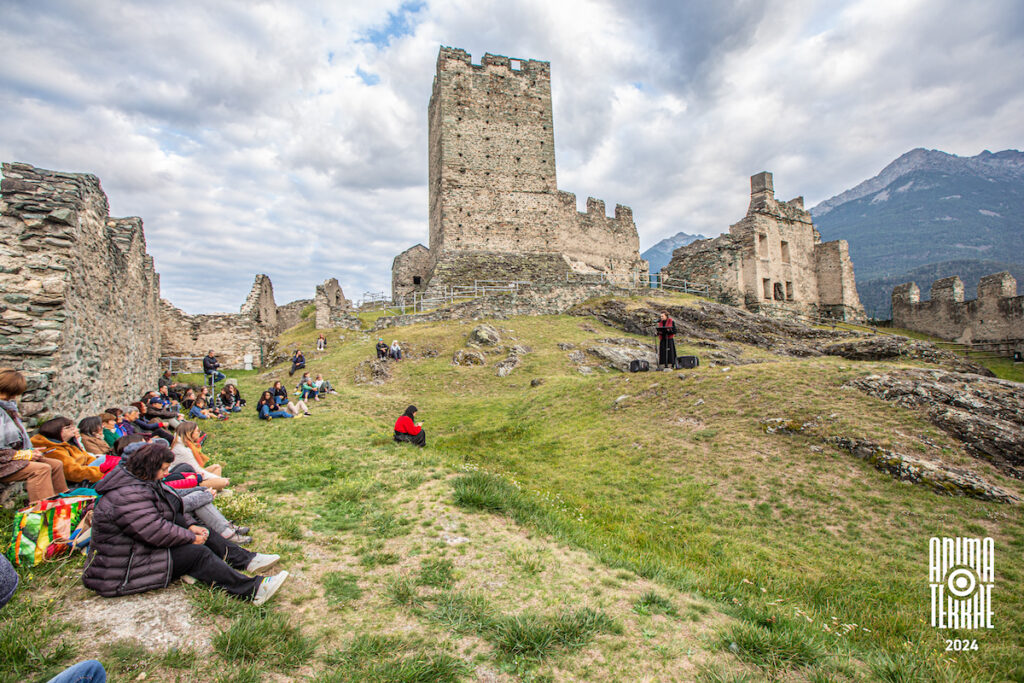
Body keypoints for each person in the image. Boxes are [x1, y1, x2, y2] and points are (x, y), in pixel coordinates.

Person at [82, 443, 288, 604]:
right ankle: (253, 590)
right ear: (148, 467)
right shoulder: (126, 495)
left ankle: (247, 560)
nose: (165, 474)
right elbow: (154, 530)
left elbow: (168, 511)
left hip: (137, 553)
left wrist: (190, 527)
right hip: (121, 571)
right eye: (163, 469)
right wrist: (190, 537)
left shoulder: (139, 483)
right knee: (196, 553)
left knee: (203, 532)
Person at [0, 369, 69, 502]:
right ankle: (41, 515)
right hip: (2, 462)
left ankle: (64, 505)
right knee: (40, 469)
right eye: (10, 394)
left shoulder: (7, 409)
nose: (12, 398)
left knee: (56, 464)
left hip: (7, 458)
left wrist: (28, 452)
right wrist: (26, 455)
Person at [31, 417, 103, 485]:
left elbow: (87, 458)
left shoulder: (69, 443)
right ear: (56, 431)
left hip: (88, 471)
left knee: (107, 460)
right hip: (77, 481)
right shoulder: (53, 450)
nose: (73, 429)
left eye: (71, 427)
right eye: (67, 428)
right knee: (106, 461)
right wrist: (102, 472)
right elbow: (73, 472)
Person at [170, 421, 229, 490]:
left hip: (192, 475)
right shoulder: (183, 450)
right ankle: (209, 490)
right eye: (197, 431)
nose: (199, 433)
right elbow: (197, 469)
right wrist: (219, 479)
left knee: (217, 467)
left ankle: (213, 488)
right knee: (223, 482)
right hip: (187, 481)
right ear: (189, 433)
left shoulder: (184, 445)